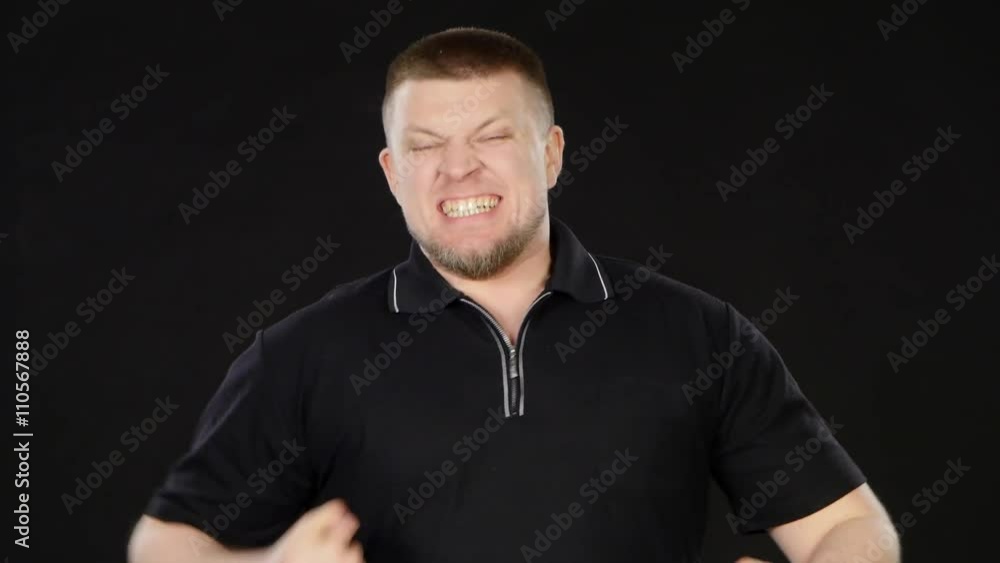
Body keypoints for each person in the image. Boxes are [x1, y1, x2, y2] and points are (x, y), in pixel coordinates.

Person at [128, 27, 899, 563]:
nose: (458, 170)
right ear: (393, 174)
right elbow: (164, 543)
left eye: (492, 137)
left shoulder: (700, 334)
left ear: (552, 154)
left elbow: (854, 528)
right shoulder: (304, 353)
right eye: (425, 147)